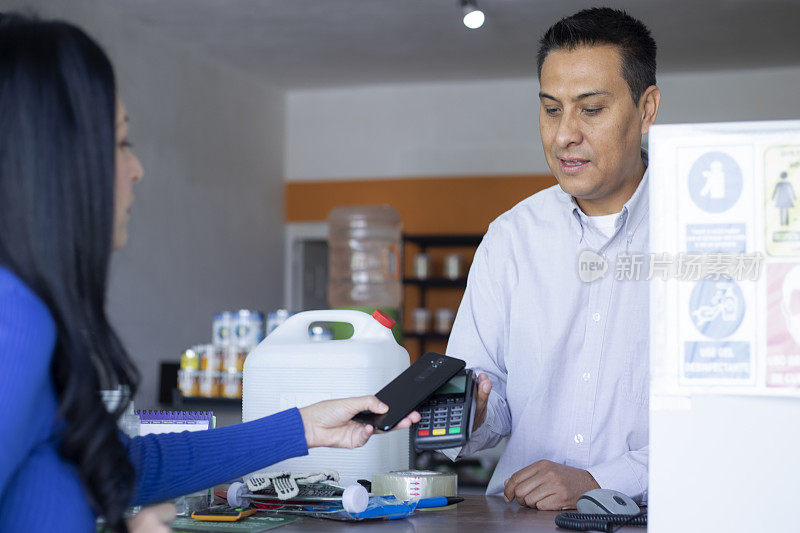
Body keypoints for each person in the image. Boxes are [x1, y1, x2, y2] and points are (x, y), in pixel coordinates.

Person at [0, 14, 419, 533]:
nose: (137, 169)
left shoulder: (34, 311)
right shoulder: (14, 320)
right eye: (122, 143)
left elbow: (126, 465)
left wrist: (308, 425)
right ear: (58, 159)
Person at [445, 7, 660, 510]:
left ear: (646, 109)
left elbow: (723, 419)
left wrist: (600, 480)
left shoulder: (702, 235)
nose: (564, 135)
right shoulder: (510, 238)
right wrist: (470, 412)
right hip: (520, 519)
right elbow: (484, 400)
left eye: (590, 109)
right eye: (550, 109)